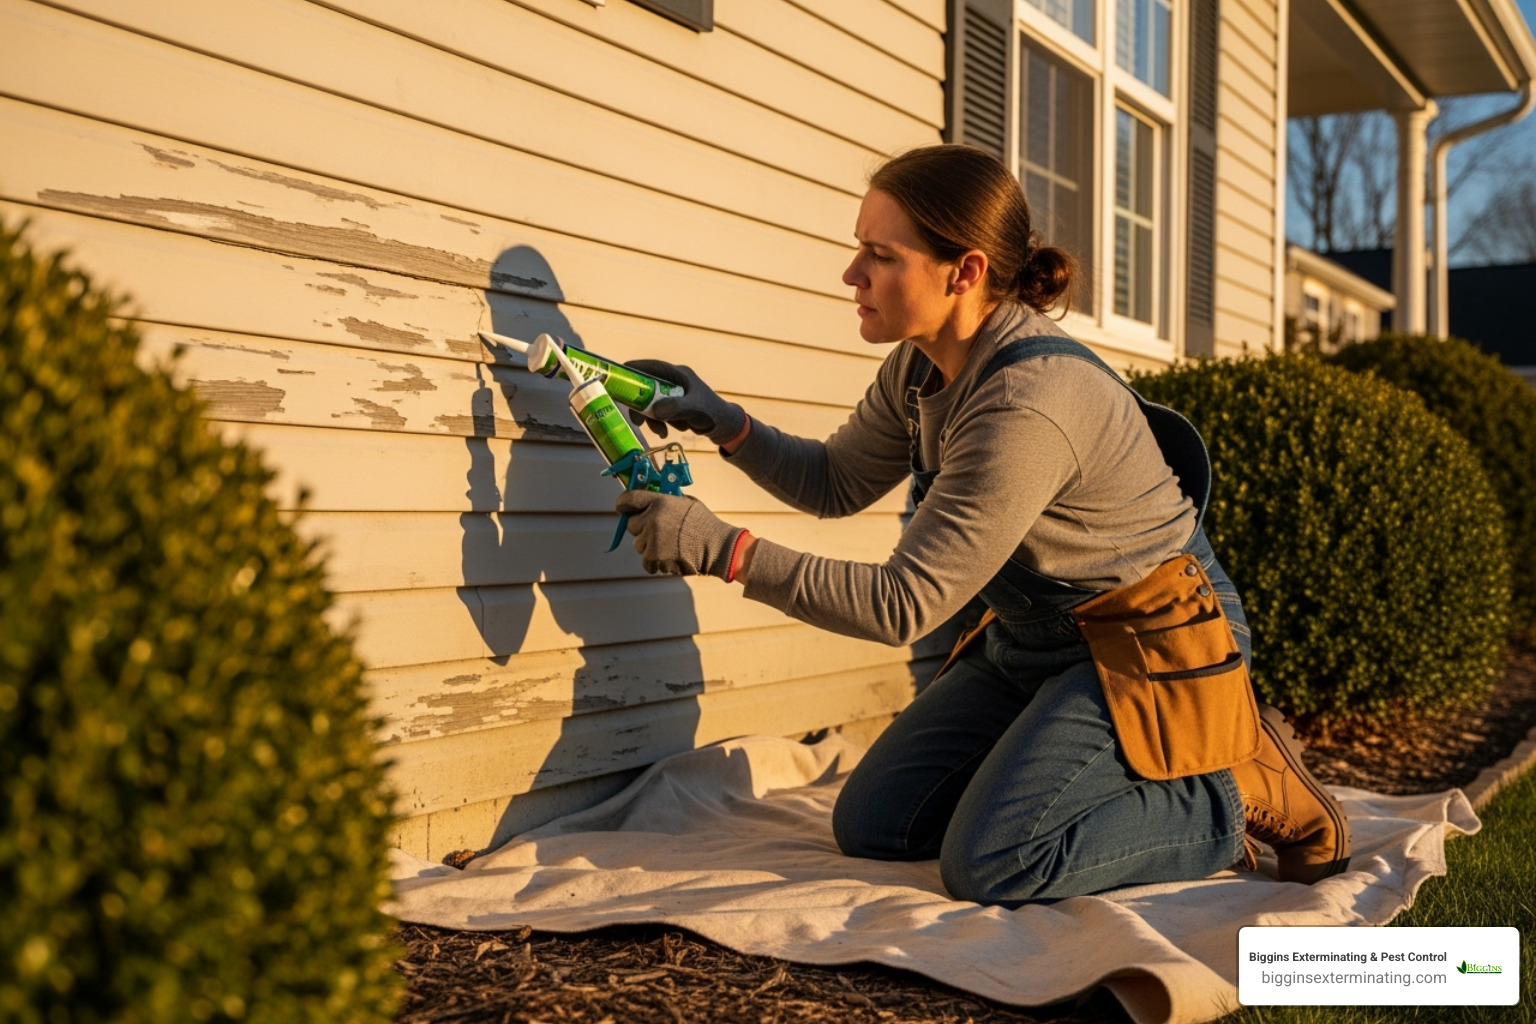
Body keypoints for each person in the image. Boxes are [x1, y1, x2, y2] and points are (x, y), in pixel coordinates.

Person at [614, 144, 1350, 904]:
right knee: (876, 824)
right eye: (857, 249)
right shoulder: (921, 365)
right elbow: (834, 482)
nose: (851, 274)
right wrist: (720, 419)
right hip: (1031, 641)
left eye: (879, 255)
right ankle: (1075, 769)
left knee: (996, 861)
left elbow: (902, 606)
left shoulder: (1026, 400)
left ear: (962, 272)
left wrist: (722, 550)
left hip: (1149, 643)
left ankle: (1227, 799)